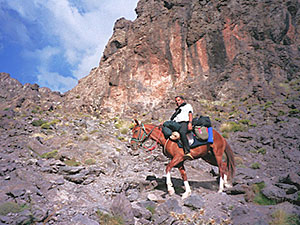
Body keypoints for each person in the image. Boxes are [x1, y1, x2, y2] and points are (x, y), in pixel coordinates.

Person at [170, 96, 194, 160]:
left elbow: (190, 114)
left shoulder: (187, 106)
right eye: (176, 101)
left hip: (184, 123)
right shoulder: (177, 110)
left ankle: (187, 151)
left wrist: (190, 123)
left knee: (182, 132)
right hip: (177, 123)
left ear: (183, 100)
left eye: (179, 100)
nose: (177, 102)